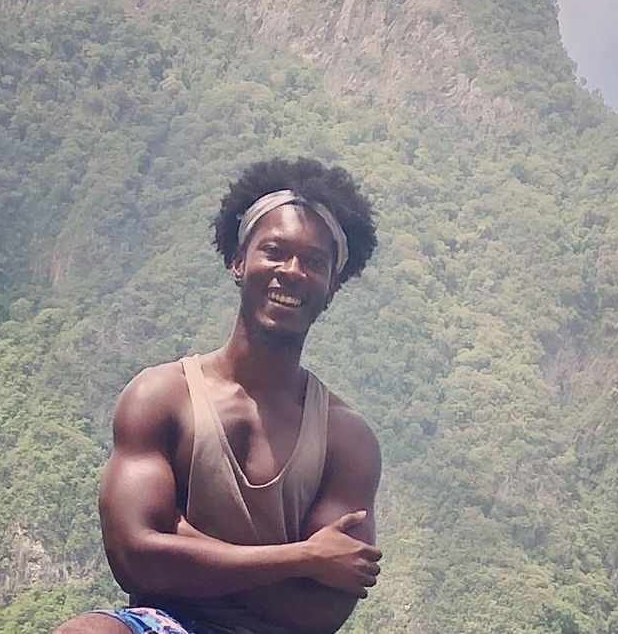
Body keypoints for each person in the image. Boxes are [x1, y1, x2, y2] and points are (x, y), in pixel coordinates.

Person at [54, 158, 382, 634]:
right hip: (167, 623)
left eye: (314, 262)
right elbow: (135, 561)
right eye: (274, 251)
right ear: (238, 261)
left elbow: (321, 612)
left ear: (332, 286)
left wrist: (186, 543)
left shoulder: (345, 438)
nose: (291, 271)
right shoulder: (162, 397)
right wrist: (303, 557)